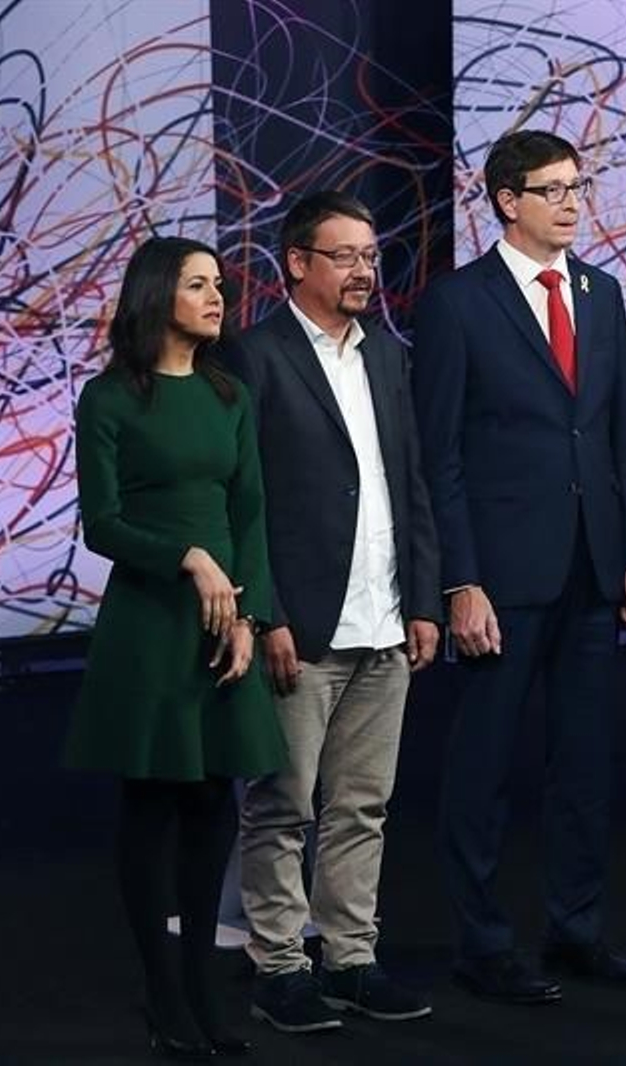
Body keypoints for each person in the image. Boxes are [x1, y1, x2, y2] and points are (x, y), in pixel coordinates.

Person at [412, 130, 626, 1003]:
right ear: (506, 200)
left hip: (594, 570)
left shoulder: (599, 294)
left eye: (577, 186)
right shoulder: (456, 303)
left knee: (585, 765)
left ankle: (576, 930)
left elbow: (624, 435)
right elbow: (437, 455)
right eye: (552, 188)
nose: (571, 201)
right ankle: (482, 943)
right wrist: (459, 580)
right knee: (482, 769)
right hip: (502, 580)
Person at [64, 236, 286, 1059]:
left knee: (210, 808)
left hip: (225, 627)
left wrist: (248, 616)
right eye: (198, 284)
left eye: (219, 285)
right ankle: (160, 993)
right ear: (159, 295)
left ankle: (200, 991)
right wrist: (188, 559)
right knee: (152, 805)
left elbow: (253, 514)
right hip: (151, 625)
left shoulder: (229, 394)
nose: (217, 297)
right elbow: (103, 522)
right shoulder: (111, 397)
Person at [227, 192, 441, 1033]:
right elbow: (245, 499)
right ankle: (278, 965)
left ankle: (350, 957)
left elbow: (409, 483)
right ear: (298, 262)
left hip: (384, 620)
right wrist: (267, 613)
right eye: (344, 256)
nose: (363, 271)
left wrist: (423, 598)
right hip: (302, 625)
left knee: (362, 806)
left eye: (370, 255)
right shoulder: (255, 356)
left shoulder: (387, 354)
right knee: (282, 803)